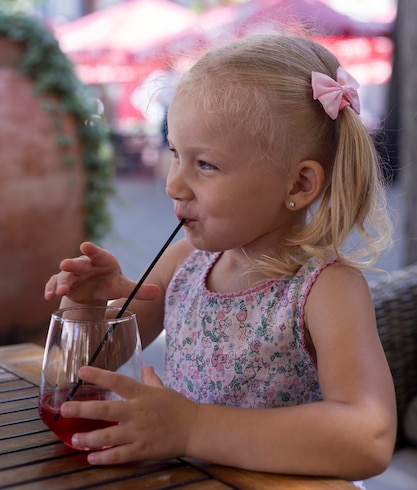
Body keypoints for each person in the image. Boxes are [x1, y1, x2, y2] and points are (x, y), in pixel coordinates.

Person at [44, 33, 397, 487]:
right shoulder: (185, 264)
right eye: (175, 155)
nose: (174, 184)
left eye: (205, 165)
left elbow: (368, 437)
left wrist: (191, 427)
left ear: (298, 185)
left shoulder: (325, 290)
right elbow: (84, 375)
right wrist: (87, 312)